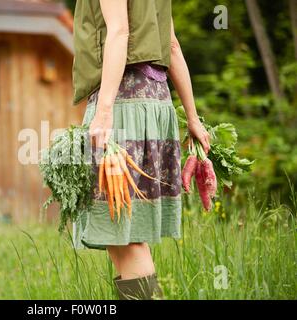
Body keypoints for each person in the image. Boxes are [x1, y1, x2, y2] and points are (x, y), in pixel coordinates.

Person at [71, 0, 211, 300]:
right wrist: (193, 118)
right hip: (157, 107)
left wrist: (104, 110)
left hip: (125, 107)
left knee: (125, 236)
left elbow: (120, 31)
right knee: (125, 236)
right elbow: (172, 47)